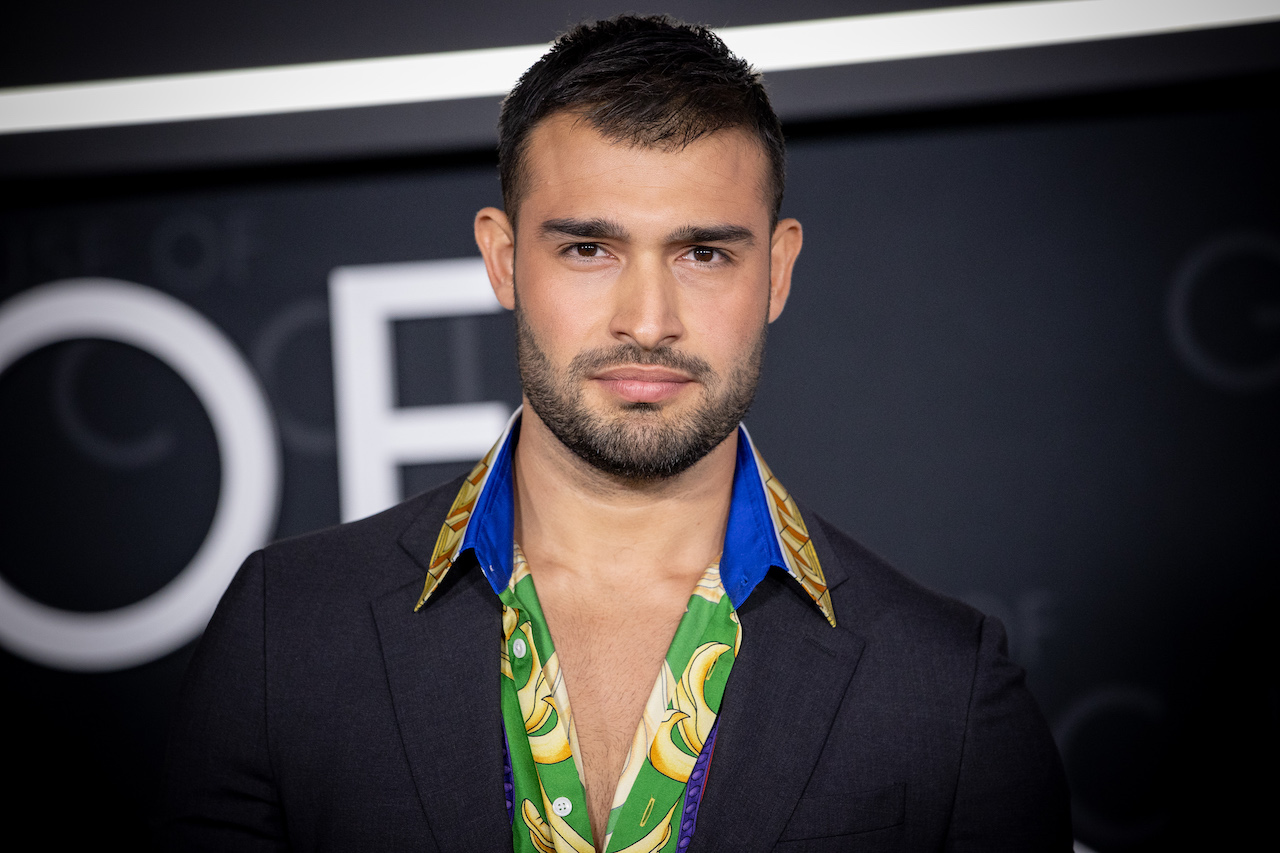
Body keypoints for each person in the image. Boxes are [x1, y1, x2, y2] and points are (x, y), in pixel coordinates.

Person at [157, 15, 1070, 852]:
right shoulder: (286, 632)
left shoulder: (946, 689)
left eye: (703, 253)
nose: (648, 320)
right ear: (503, 259)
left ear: (778, 270)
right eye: (589, 249)